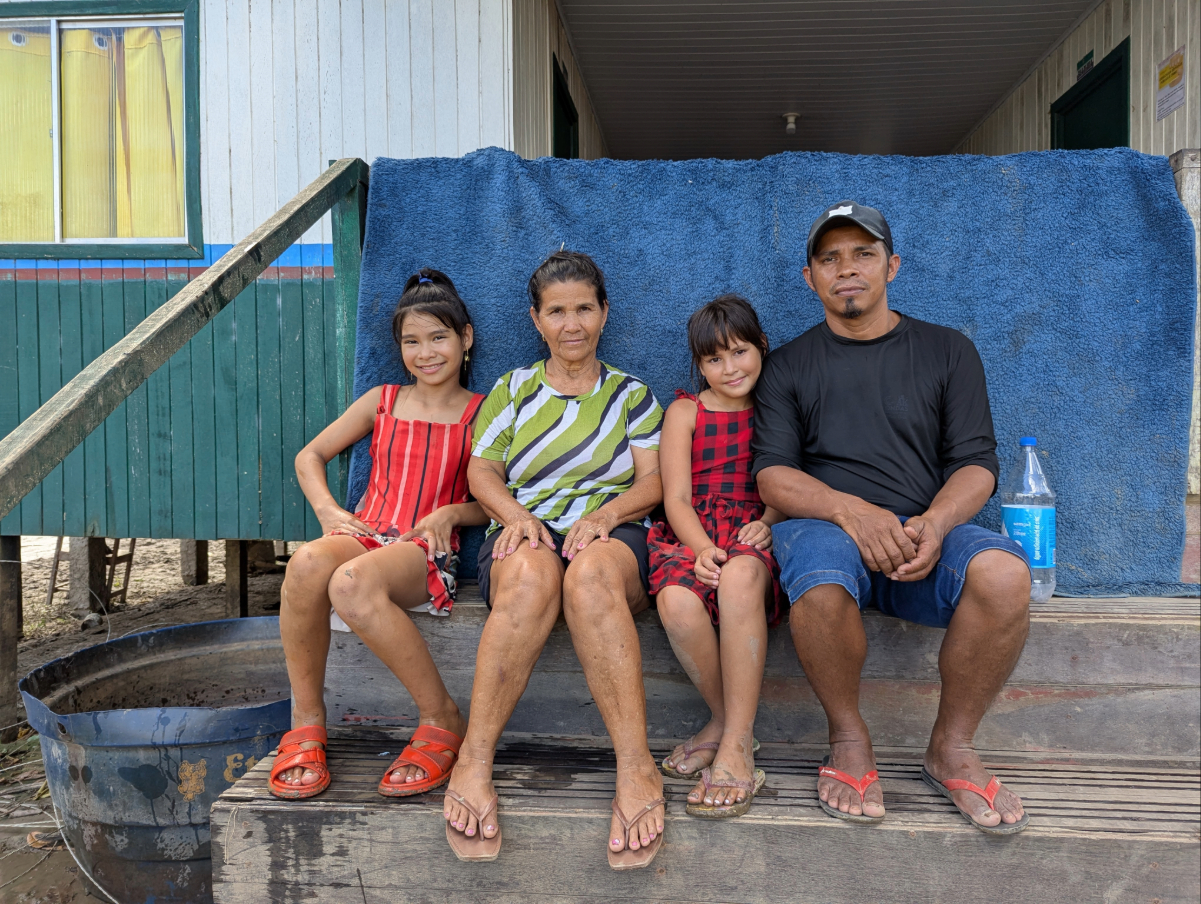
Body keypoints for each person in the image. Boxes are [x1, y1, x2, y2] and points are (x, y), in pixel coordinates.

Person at [753, 201, 1032, 835]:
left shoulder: (948, 350)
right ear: (809, 277)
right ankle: (849, 739)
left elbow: (976, 465)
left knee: (1005, 575)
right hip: (827, 527)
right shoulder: (789, 366)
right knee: (820, 585)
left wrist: (935, 523)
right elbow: (773, 475)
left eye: (863, 254)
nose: (846, 270)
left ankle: (951, 746)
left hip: (921, 536)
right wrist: (852, 512)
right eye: (830, 258)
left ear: (892, 265)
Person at [443, 251, 667, 869]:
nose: (573, 324)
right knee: (532, 575)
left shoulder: (632, 395)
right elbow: (481, 469)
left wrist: (607, 516)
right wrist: (517, 517)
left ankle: (635, 765)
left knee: (591, 574)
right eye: (558, 311)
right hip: (527, 531)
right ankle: (474, 758)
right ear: (536, 319)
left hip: (613, 538)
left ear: (604, 313)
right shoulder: (512, 391)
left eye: (585, 309)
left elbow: (654, 481)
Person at [270, 269, 487, 802]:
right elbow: (309, 456)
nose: (426, 352)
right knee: (304, 565)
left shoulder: (483, 413)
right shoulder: (382, 400)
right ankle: (307, 721)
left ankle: (441, 715)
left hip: (423, 551)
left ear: (466, 337)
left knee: (349, 584)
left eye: (439, 337)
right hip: (367, 532)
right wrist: (328, 511)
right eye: (411, 341)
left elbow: (493, 501)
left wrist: (451, 514)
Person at [651, 294, 783, 818]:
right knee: (678, 603)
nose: (729, 368)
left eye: (740, 352)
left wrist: (769, 523)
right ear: (699, 364)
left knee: (739, 578)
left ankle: (730, 738)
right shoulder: (686, 411)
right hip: (694, 535)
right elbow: (675, 498)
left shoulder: (777, 406)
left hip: (753, 532)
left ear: (762, 347)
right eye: (713, 359)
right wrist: (701, 547)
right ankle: (728, 724)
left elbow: (788, 478)